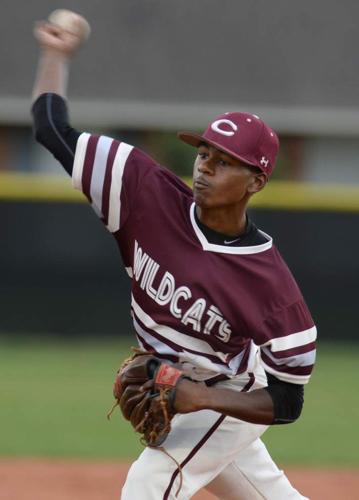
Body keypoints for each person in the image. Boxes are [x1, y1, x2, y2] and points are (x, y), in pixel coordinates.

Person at [31, 14, 316, 500]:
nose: (205, 168)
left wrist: (201, 398)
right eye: (204, 154)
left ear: (256, 182)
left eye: (224, 162)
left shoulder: (269, 283)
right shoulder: (145, 193)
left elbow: (288, 401)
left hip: (231, 395)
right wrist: (56, 55)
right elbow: (50, 128)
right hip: (180, 385)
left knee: (151, 481)